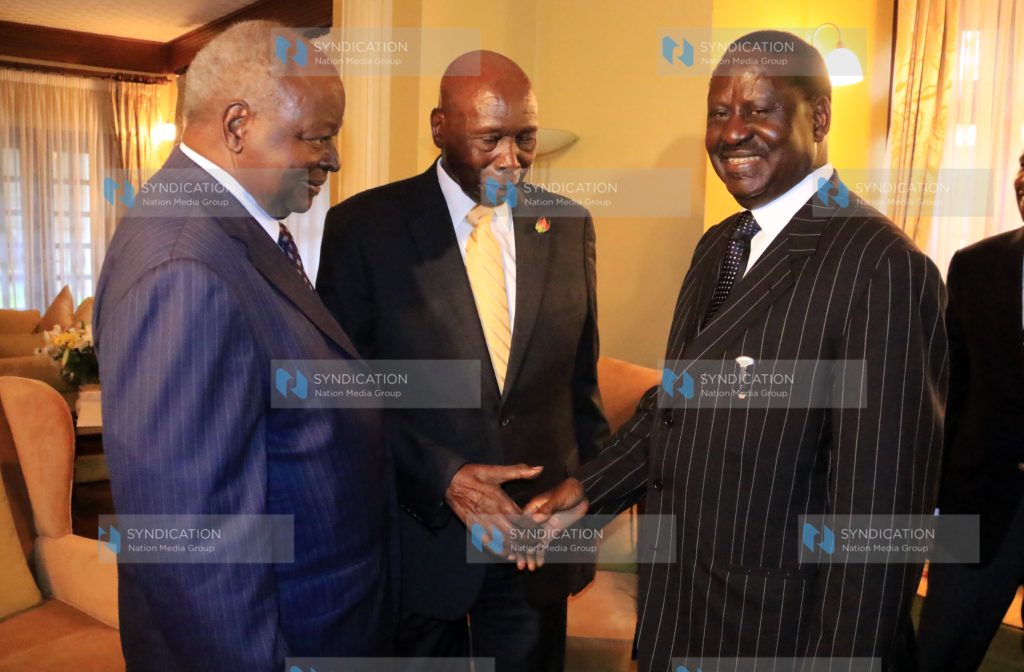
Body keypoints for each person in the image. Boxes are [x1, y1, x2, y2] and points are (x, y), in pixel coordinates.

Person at [526, 30, 948, 671]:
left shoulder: (880, 266)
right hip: (680, 617)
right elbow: (676, 409)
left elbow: (879, 518)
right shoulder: (719, 245)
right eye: (719, 112)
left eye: (759, 109)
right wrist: (585, 491)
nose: (731, 133)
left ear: (820, 117)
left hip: (779, 639)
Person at [94, 21, 394, 671]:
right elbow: (195, 544)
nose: (334, 159)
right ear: (238, 126)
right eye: (318, 136)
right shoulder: (185, 267)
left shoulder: (234, 233)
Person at [316, 50, 609, 672]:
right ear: (440, 127)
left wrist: (593, 498)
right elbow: (342, 394)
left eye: (525, 138)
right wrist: (443, 476)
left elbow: (580, 389)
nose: (511, 158)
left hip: (536, 544)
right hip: (420, 544)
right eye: (489, 139)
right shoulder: (364, 229)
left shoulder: (569, 225)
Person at [916, 149, 1024, 671]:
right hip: (978, 500)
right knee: (939, 654)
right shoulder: (975, 265)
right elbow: (950, 391)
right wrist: (939, 502)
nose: (1023, 180)